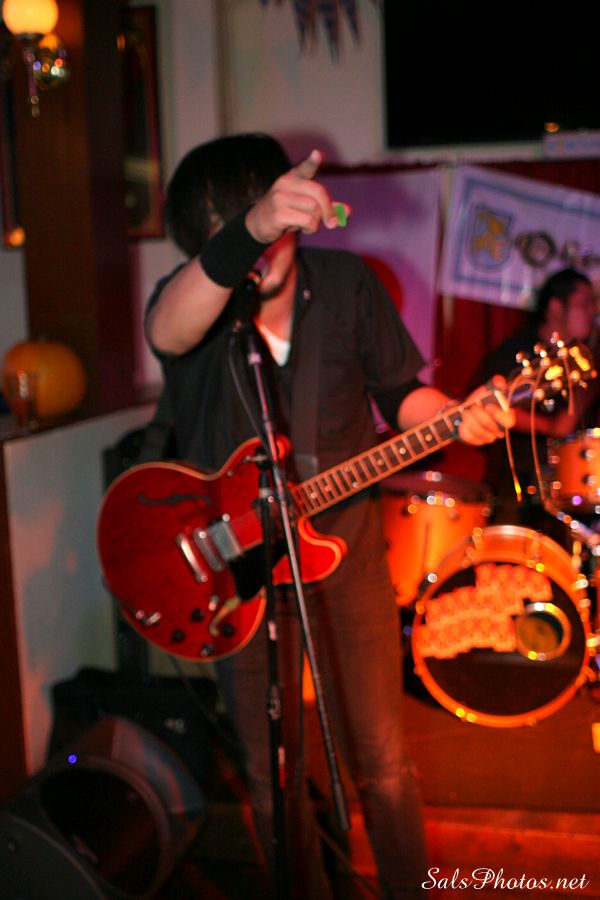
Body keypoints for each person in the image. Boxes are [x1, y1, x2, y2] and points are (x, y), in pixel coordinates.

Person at [145, 133, 514, 900]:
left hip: (346, 554)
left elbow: (401, 393)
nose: (258, 245)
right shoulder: (197, 303)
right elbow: (165, 332)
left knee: (382, 758)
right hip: (236, 576)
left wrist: (459, 415)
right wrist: (246, 232)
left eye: (262, 219)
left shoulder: (347, 285)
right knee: (268, 772)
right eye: (233, 229)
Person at [480, 267, 600, 528]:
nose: (593, 311)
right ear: (556, 308)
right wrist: (549, 427)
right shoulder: (516, 351)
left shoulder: (588, 358)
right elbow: (487, 403)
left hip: (579, 486)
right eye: (585, 303)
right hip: (519, 486)